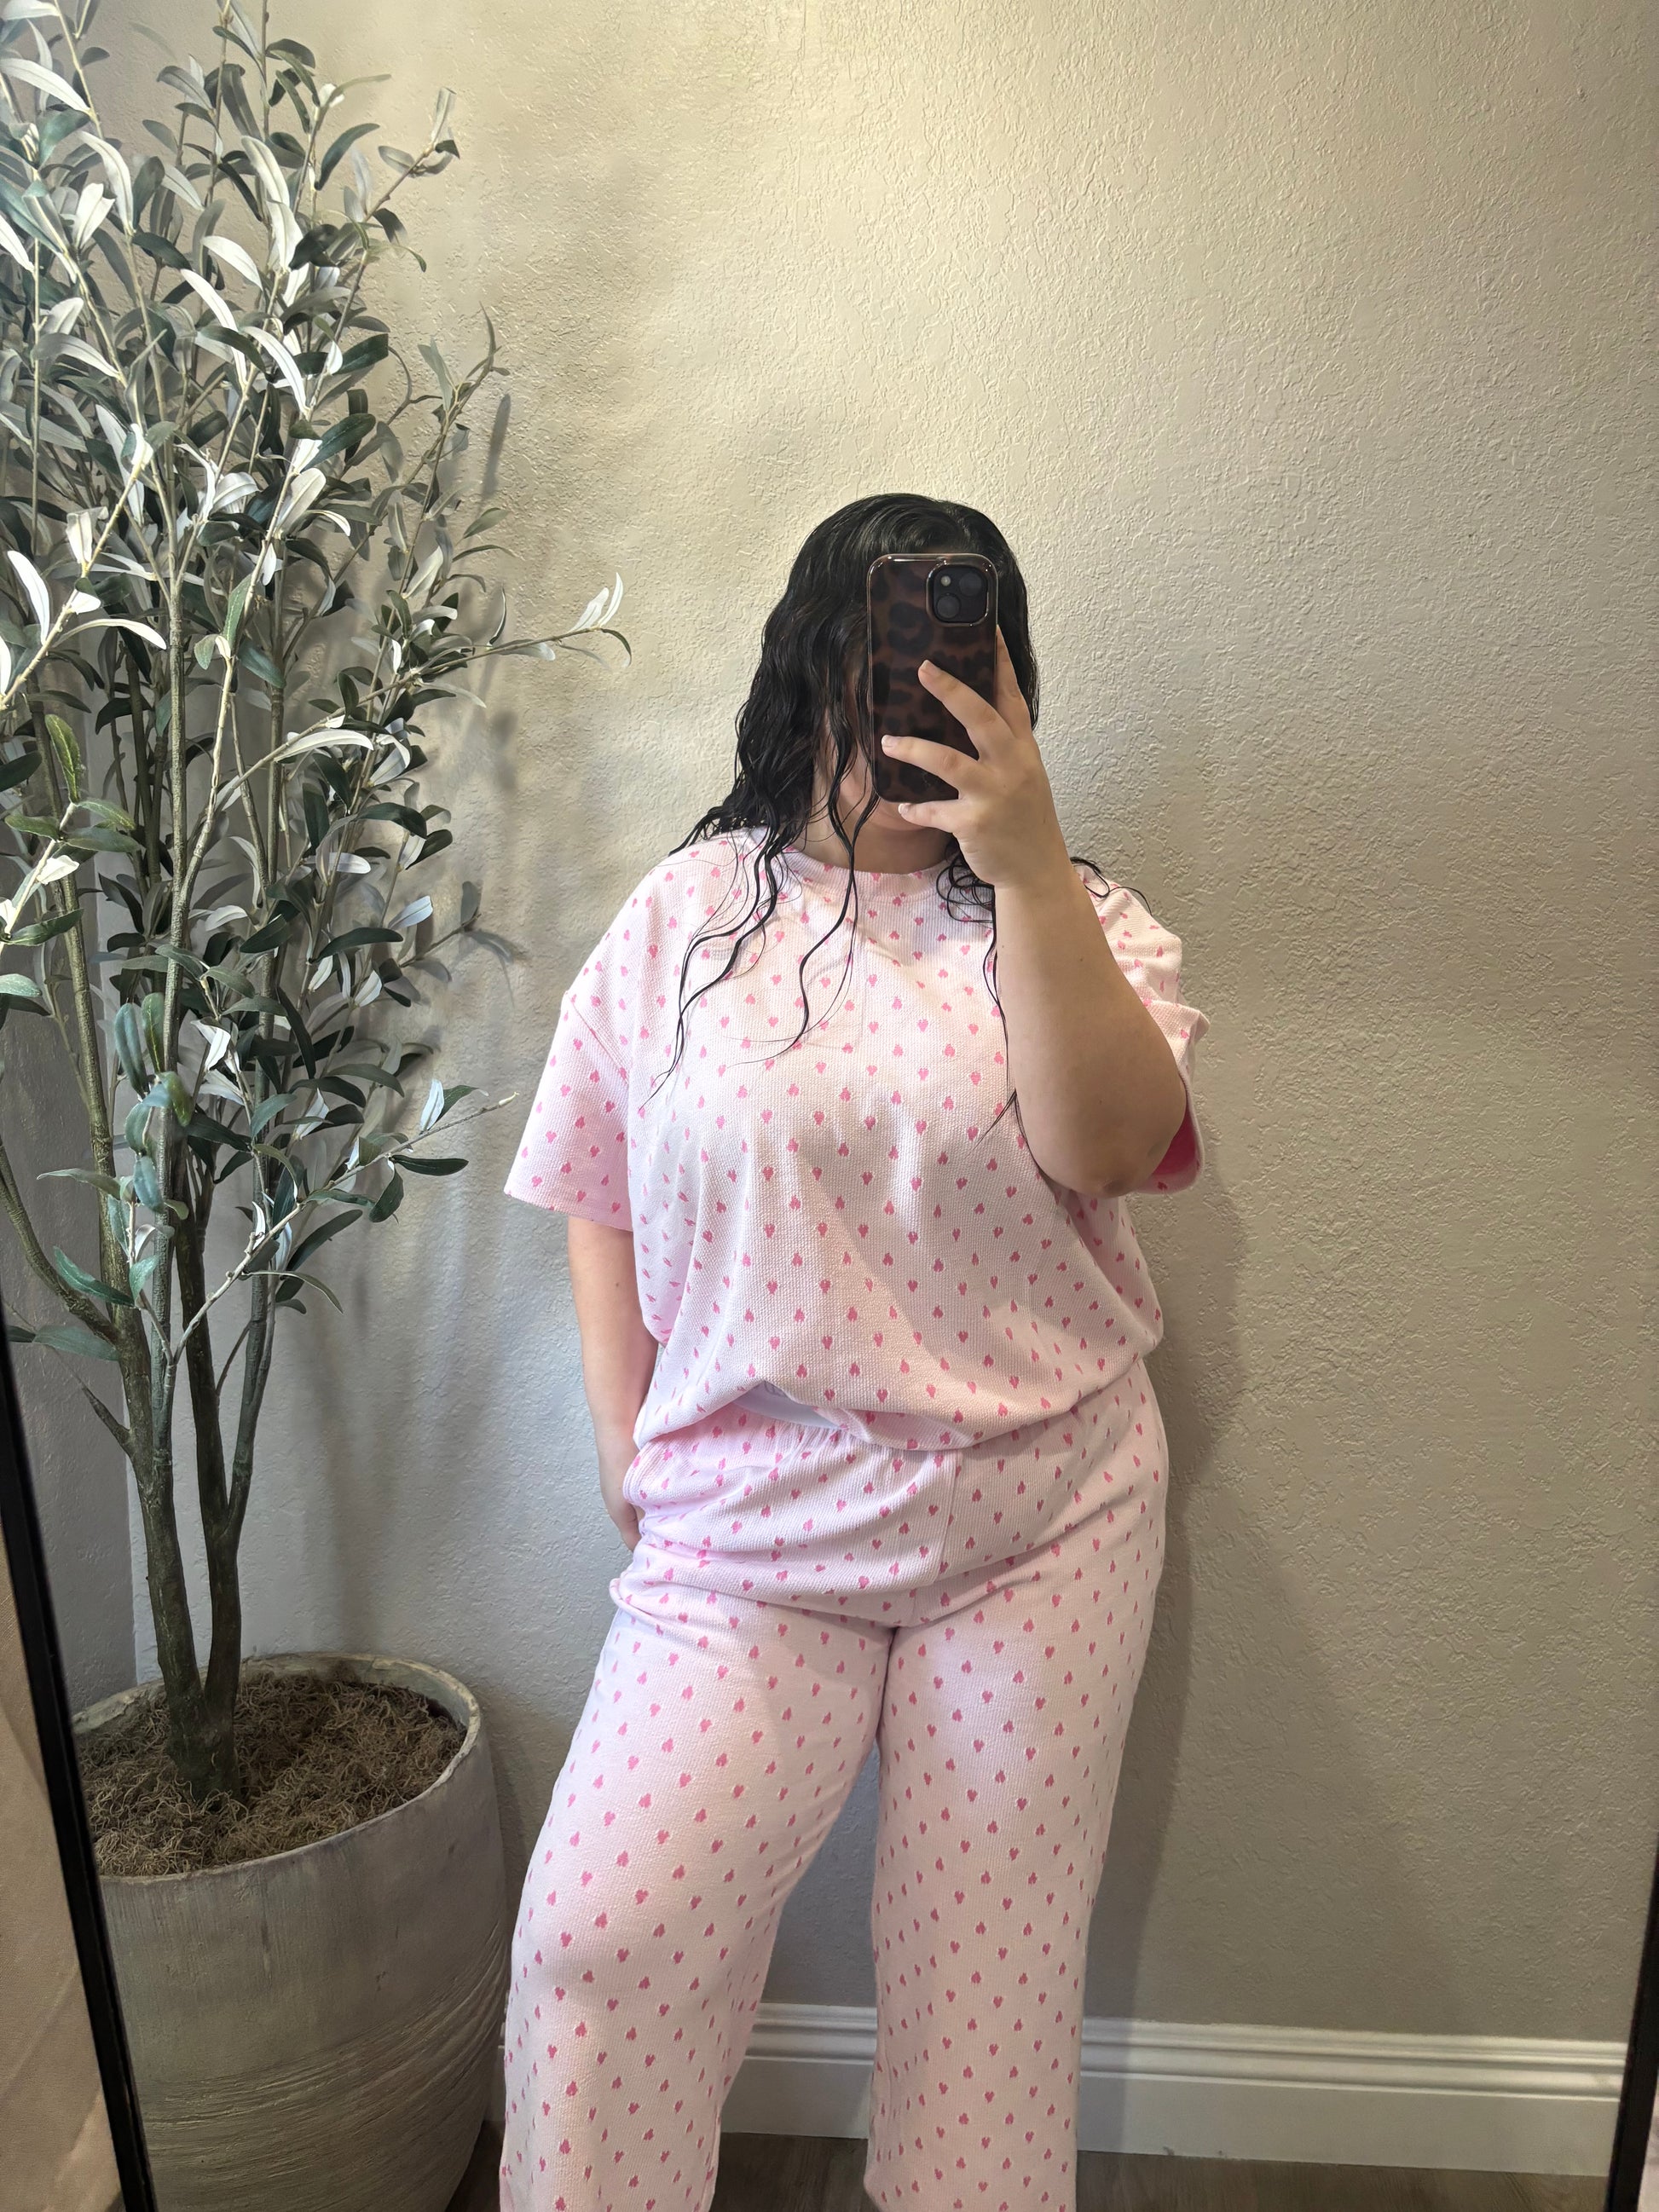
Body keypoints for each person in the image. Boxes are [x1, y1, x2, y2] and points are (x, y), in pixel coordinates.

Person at [497, 493, 1210, 2212]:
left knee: (986, 2002)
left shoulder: (1085, 919)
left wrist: (1026, 864)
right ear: (814, 656)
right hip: (747, 1528)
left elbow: (1111, 1145)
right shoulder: (685, 915)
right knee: (599, 1941)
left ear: (1007, 678)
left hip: (1040, 1520)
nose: (908, 686)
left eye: (958, 650)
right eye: (880, 644)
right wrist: (617, 1430)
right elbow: (593, 1173)